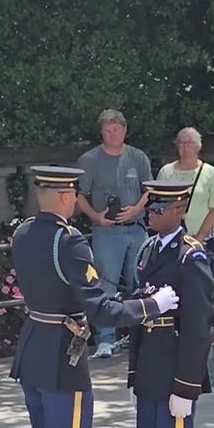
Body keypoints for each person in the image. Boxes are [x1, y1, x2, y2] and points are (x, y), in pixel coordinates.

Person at [9, 166, 180, 428]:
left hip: (32, 353)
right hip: (62, 363)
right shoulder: (68, 242)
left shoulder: (24, 233)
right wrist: (150, 306)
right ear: (67, 198)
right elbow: (100, 310)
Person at [123, 179, 214, 428]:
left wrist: (187, 386)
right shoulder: (147, 250)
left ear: (179, 211)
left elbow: (197, 327)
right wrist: (134, 370)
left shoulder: (190, 258)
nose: (151, 214)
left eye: (159, 209)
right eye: (150, 208)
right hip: (149, 371)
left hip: (175, 373)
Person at [76, 109, 154, 359]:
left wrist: (136, 209)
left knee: (141, 283)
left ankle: (142, 335)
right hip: (106, 231)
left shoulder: (138, 157)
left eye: (116, 130)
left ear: (125, 130)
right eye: (108, 131)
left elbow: (149, 190)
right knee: (106, 285)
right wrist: (95, 216)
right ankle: (106, 340)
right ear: (101, 133)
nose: (112, 135)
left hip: (136, 229)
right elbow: (78, 194)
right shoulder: (89, 160)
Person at [156, 126, 214, 378]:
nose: (185, 147)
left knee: (201, 298)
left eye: (189, 143)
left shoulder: (209, 173)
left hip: (202, 241)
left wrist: (199, 238)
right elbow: (159, 204)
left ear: (198, 146)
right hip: (172, 242)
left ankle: (203, 358)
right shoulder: (166, 171)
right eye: (181, 143)